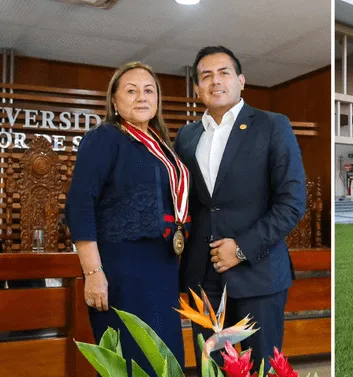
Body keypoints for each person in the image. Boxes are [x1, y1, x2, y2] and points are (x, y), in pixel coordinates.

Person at [174, 46, 306, 374]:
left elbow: (291, 202)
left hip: (258, 274)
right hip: (203, 279)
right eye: (206, 76)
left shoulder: (272, 126)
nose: (215, 81)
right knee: (212, 366)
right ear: (196, 88)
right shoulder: (187, 137)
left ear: (241, 80)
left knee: (262, 367)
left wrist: (242, 249)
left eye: (224, 73)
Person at [65, 62, 187, 375]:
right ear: (115, 101)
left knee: (164, 357)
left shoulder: (162, 145)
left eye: (149, 90)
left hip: (162, 266)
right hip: (122, 268)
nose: (141, 97)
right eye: (130, 91)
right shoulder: (104, 138)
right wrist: (93, 272)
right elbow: (80, 204)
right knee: (131, 359)